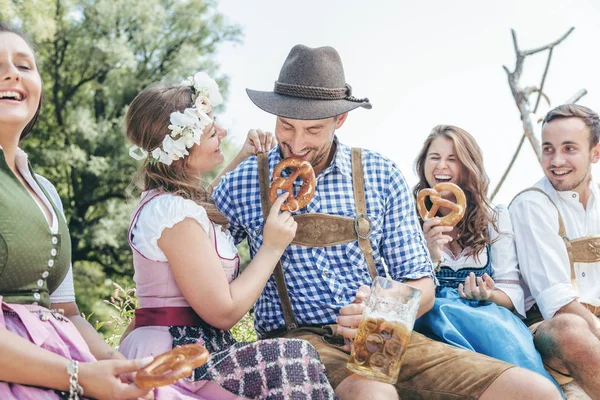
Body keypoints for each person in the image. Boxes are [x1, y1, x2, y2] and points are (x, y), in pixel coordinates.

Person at [212, 44, 561, 399]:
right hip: (299, 346)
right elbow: (191, 227)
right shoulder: (245, 181)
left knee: (533, 391)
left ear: (340, 120)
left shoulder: (379, 173)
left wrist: (381, 310)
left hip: (382, 334)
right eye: (286, 126)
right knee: (375, 393)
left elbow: (422, 285)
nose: (297, 143)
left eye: (313, 130)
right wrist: (235, 160)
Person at [118, 71, 338, 400]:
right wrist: (272, 247)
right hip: (174, 356)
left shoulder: (174, 204)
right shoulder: (171, 214)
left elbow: (201, 205)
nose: (223, 131)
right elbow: (223, 312)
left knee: (294, 359)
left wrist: (240, 156)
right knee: (295, 361)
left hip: (196, 348)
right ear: (181, 150)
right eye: (210, 131)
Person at [0, 22, 154, 400]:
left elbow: (66, 310)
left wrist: (119, 365)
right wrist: (79, 376)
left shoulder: (46, 190)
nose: (10, 73)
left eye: (24, 65)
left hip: (66, 360)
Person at [411, 125, 560, 392]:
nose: (441, 166)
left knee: (505, 340)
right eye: (434, 157)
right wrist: (431, 256)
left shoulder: (493, 218)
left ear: (469, 166)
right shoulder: (407, 216)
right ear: (423, 164)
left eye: (452, 159)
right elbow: (401, 289)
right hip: (429, 316)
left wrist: (487, 295)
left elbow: (511, 293)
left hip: (487, 318)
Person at [509, 104, 600, 398]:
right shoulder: (532, 204)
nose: (556, 160)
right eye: (548, 149)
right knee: (571, 328)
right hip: (550, 331)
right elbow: (557, 303)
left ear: (595, 153)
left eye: (569, 148)